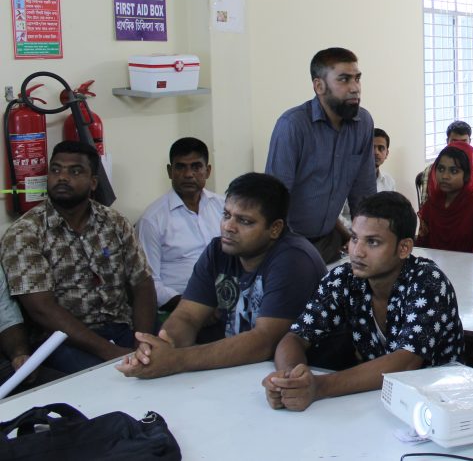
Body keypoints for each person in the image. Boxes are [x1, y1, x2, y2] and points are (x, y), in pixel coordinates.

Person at [262, 192, 464, 411]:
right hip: (375, 401)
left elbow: (406, 362)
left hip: (440, 406)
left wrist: (319, 387)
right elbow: (295, 337)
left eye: (373, 242)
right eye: (354, 238)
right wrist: (290, 380)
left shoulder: (428, 282)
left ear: (404, 248)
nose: (357, 251)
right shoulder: (343, 279)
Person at [116, 173, 326, 379]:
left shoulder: (294, 259)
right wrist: (162, 346)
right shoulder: (218, 251)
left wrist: (176, 360)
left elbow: (265, 342)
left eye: (244, 221)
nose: (228, 227)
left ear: (275, 228)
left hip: (300, 376)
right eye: (226, 215)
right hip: (234, 372)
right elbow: (187, 316)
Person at [1, 141, 156, 374]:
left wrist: (142, 341)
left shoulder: (115, 222)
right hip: (63, 342)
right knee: (110, 379)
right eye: (56, 170)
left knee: (169, 358)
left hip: (123, 327)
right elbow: (42, 309)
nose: (62, 177)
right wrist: (110, 352)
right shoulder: (25, 232)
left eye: (75, 171)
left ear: (93, 182)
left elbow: (142, 283)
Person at [265, 47, 375, 264]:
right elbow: (274, 199)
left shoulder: (363, 123)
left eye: (357, 79)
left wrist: (366, 242)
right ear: (319, 86)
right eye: (344, 79)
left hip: (329, 243)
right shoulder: (293, 126)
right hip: (289, 245)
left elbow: (364, 194)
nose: (355, 88)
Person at [137, 137, 224, 313]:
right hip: (179, 307)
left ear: (207, 171)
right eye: (180, 167)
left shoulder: (224, 207)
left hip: (227, 301)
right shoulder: (152, 219)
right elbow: (148, 281)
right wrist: (191, 307)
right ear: (170, 171)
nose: (188, 174)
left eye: (196, 167)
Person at [416, 141, 473, 252]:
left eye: (454, 171)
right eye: (441, 169)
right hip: (433, 261)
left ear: (466, 175)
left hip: (469, 262)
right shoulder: (432, 203)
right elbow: (422, 244)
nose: (445, 176)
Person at [416, 121, 473, 206]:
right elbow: (424, 206)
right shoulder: (430, 171)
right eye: (454, 142)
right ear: (447, 141)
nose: (459, 147)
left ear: (470, 142)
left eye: (463, 142)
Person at [339, 127, 398, 229]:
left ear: (386, 154)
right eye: (372, 147)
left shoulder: (389, 181)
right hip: (350, 233)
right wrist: (355, 234)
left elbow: (393, 213)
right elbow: (336, 216)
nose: (376, 152)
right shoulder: (346, 179)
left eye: (381, 148)